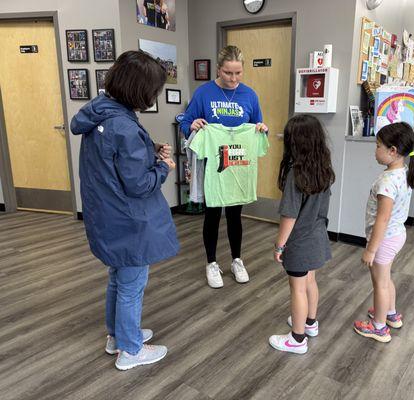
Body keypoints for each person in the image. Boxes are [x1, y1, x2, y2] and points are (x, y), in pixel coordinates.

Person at [70, 50, 179, 370]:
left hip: (107, 217)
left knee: (118, 279)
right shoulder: (124, 126)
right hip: (128, 221)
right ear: (140, 90)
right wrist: (163, 167)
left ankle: (118, 336)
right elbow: (139, 185)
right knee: (132, 285)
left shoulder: (100, 113)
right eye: (154, 91)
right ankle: (131, 351)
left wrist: (149, 148)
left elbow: (113, 163)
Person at [180, 45, 268, 289]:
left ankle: (237, 259)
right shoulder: (204, 93)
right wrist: (193, 124)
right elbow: (185, 123)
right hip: (212, 165)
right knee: (212, 216)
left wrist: (262, 129)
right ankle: (211, 262)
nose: (233, 78)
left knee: (234, 216)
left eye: (238, 73)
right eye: (228, 73)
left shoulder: (250, 95)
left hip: (238, 165)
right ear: (219, 69)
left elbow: (258, 123)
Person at [268, 115, 335, 354]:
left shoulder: (296, 174)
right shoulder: (323, 169)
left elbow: (289, 215)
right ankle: (310, 323)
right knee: (310, 282)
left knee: (297, 288)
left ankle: (297, 339)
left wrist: (279, 245)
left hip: (299, 242)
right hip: (318, 236)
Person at [353, 122, 414, 343]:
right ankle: (390, 314)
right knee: (386, 278)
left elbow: (382, 219)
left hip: (384, 239)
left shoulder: (387, 181)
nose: (375, 150)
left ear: (393, 151)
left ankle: (379, 327)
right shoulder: (404, 171)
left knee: (379, 283)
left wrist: (371, 250)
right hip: (397, 235)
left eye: (378, 146)